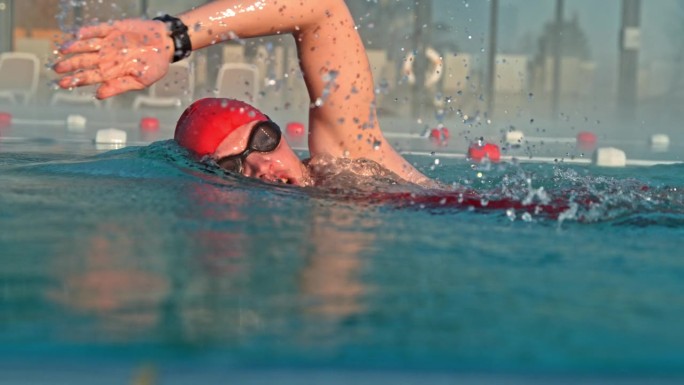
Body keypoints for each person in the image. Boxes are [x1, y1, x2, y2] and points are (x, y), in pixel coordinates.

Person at [54, 0, 437, 189]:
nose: (262, 167)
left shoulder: (353, 161)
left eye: (263, 140)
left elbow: (323, 9)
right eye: (232, 167)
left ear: (278, 131)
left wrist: (174, 36)